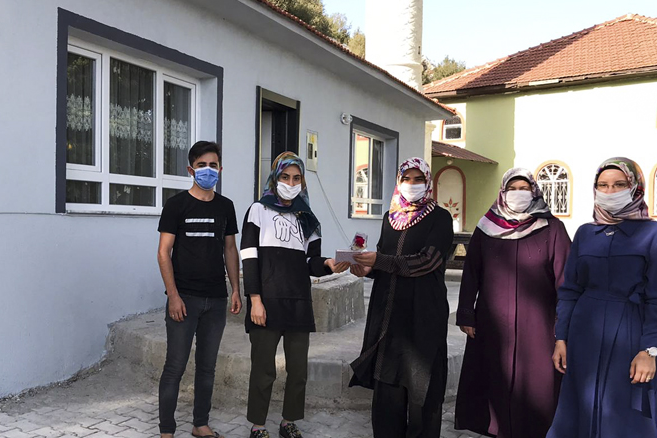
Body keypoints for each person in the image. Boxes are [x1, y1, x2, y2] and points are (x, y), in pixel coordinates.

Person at [547, 157, 657, 438]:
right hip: (585, 333)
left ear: (635, 187)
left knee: (626, 417)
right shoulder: (585, 233)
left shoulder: (656, 234)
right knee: (578, 410)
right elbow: (570, 291)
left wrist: (650, 350)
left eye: (619, 185)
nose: (610, 191)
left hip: (632, 335)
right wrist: (561, 338)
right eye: (603, 185)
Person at [454, 168, 571, 438]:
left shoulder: (552, 228)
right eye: (512, 189)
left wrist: (562, 329)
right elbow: (471, 272)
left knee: (536, 387)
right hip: (492, 323)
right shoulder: (487, 228)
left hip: (538, 327)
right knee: (495, 380)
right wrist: (466, 313)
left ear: (534, 191)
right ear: (503, 193)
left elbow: (566, 282)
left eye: (524, 188)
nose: (518, 194)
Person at [240, 152, 349, 438]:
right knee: (263, 370)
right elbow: (249, 257)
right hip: (266, 303)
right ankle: (258, 425)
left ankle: (288, 422)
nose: (290, 183)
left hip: (298, 304)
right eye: (285, 177)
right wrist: (255, 300)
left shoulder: (307, 218)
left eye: (296, 178)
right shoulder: (258, 210)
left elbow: (310, 262)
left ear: (303, 182)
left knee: (298, 371)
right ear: (275, 178)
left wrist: (328, 264)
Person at [349, 157, 454, 438]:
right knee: (387, 397)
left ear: (428, 182)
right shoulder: (391, 218)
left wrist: (379, 260)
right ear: (398, 181)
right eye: (406, 179)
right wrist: (367, 268)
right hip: (389, 318)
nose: (412, 184)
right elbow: (384, 260)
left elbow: (427, 261)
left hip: (423, 317)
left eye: (418, 179)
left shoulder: (440, 218)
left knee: (423, 395)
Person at [157, 141, 242, 438]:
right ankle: (167, 431)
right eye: (202, 165)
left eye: (213, 165)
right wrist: (173, 296)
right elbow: (163, 252)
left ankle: (200, 424)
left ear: (220, 168)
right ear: (190, 170)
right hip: (185, 299)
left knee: (207, 367)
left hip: (216, 299)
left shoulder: (226, 206)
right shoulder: (176, 205)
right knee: (175, 366)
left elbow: (230, 249)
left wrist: (235, 289)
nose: (208, 170)